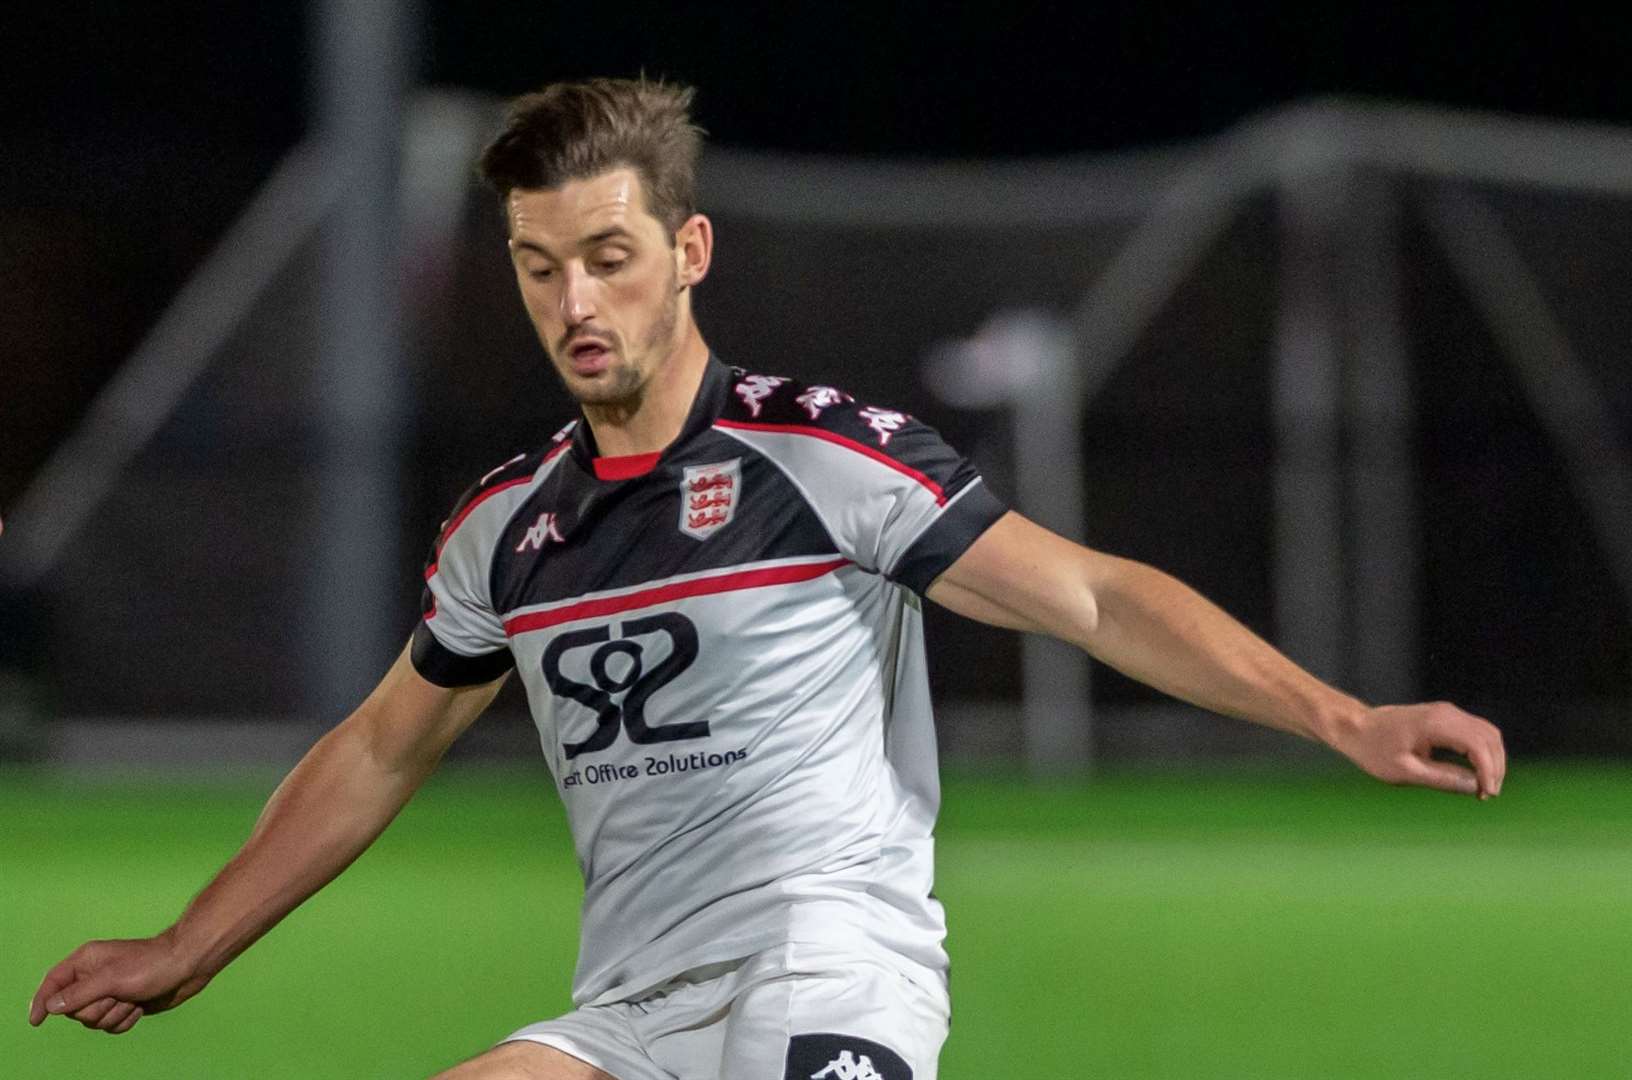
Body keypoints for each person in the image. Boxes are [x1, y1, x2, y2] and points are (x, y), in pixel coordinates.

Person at [29, 77, 1505, 1080]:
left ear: (688, 250)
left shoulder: (821, 456)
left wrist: (1342, 718)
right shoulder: (505, 530)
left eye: (607, 256)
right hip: (633, 1014)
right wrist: (185, 948)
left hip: (827, 976)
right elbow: (376, 748)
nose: (574, 302)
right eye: (538, 266)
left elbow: (1097, 598)